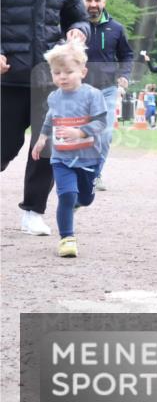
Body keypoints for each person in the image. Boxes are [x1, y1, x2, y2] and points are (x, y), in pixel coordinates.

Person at [1, 0, 91, 236]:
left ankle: (33, 212)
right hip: (8, 80)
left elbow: (79, 19)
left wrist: (79, 33)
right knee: (4, 145)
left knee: (46, 146)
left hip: (50, 83)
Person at [29, 41, 107, 257]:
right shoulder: (54, 97)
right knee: (66, 195)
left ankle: (77, 203)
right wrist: (42, 137)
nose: (62, 77)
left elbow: (101, 123)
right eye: (56, 73)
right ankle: (67, 238)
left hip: (89, 158)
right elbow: (50, 118)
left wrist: (80, 132)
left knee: (85, 199)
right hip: (62, 157)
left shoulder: (92, 95)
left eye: (68, 72)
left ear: (83, 71)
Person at [82, 0, 134, 191]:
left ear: (104, 2)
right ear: (82, 2)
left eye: (97, 0)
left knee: (104, 134)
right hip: (79, 90)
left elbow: (127, 55)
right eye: (89, 0)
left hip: (107, 89)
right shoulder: (73, 27)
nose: (93, 5)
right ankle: (76, 171)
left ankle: (95, 174)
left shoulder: (117, 29)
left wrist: (124, 75)